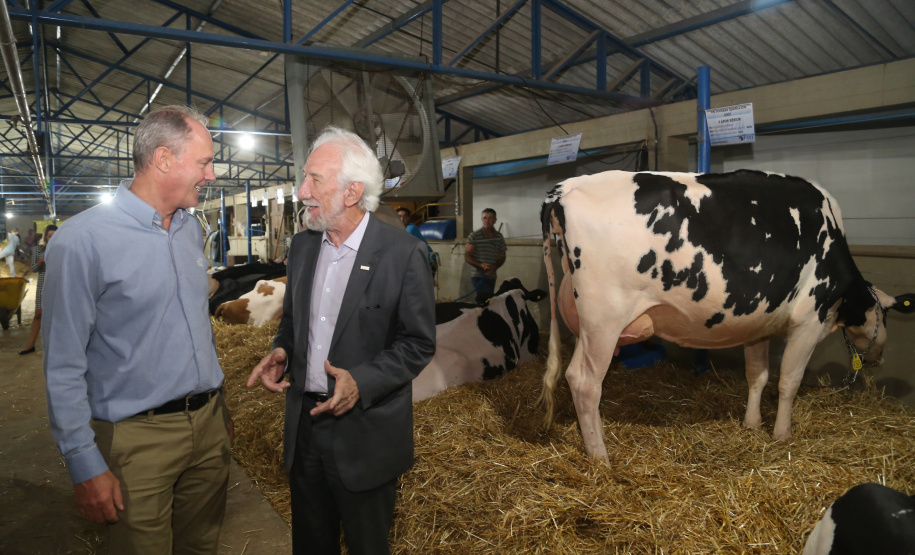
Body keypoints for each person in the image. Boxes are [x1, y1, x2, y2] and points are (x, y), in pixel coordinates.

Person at [42, 105, 231, 554]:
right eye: (204, 162)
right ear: (164, 159)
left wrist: (218, 411)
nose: (210, 175)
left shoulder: (188, 230)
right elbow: (63, 364)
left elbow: (192, 326)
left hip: (208, 428)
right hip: (136, 441)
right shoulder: (82, 240)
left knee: (201, 546)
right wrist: (83, 461)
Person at [247, 126, 436, 555]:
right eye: (305, 178)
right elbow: (292, 320)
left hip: (365, 435)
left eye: (315, 179)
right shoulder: (302, 247)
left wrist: (362, 381)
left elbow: (418, 344)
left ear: (352, 192)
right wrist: (282, 349)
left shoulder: (403, 254)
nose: (302, 191)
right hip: (305, 429)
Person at [19, 225, 57, 355]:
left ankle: (56, 346)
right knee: (38, 314)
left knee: (56, 315)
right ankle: (31, 345)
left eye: (54, 236)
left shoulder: (61, 250)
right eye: (49, 236)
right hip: (42, 284)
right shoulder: (37, 250)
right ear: (45, 237)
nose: (51, 238)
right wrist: (40, 261)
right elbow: (34, 269)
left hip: (56, 284)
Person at [464, 208, 506, 304]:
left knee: (489, 300)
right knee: (484, 299)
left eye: (490, 218)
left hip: (492, 275)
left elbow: (502, 256)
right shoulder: (474, 236)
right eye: (485, 218)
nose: (487, 220)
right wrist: (480, 265)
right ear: (482, 219)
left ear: (495, 220)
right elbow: (467, 256)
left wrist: (494, 267)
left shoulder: (499, 237)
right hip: (478, 275)